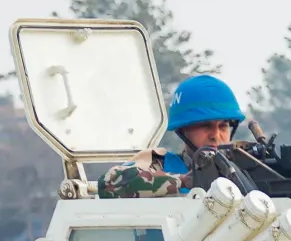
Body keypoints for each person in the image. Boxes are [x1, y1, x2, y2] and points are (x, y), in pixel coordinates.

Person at [100, 74, 247, 198]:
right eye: (205, 125)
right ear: (183, 129)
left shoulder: (246, 168)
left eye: (223, 126)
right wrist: (184, 181)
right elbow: (108, 183)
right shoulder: (160, 164)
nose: (216, 135)